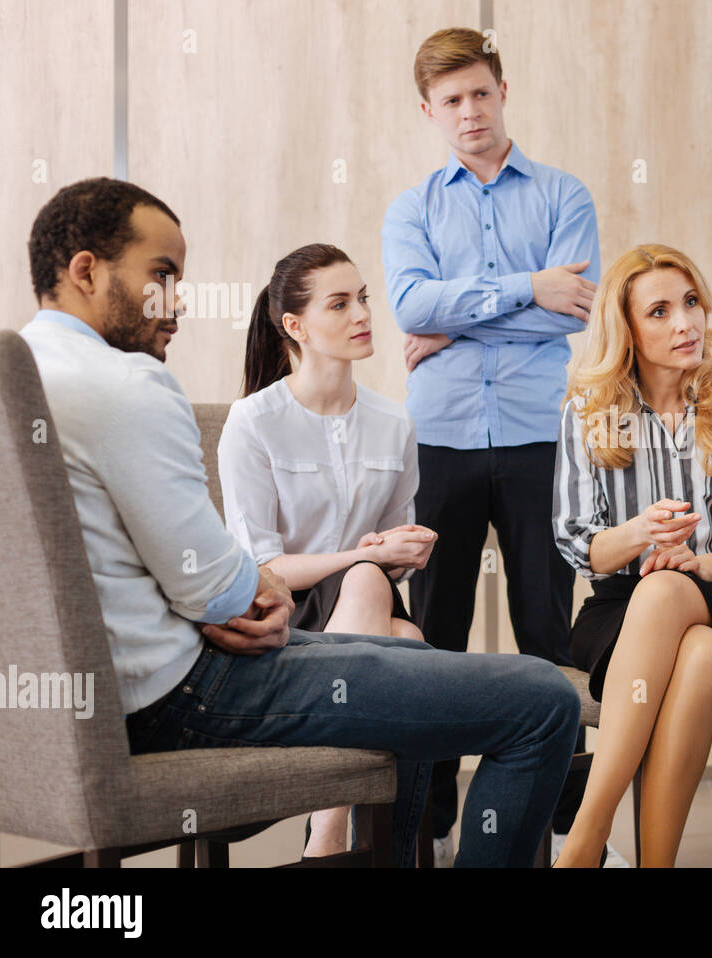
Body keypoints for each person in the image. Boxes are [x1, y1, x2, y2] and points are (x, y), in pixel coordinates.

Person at [20, 176, 580, 867]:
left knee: (407, 651)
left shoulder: (15, 380)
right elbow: (224, 592)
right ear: (85, 271)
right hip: (186, 694)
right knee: (542, 699)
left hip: (86, 707)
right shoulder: (129, 385)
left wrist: (225, 592)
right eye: (161, 274)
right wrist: (244, 590)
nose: (180, 300)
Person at [382, 26, 601, 866]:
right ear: (429, 111)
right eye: (451, 101)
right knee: (436, 632)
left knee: (545, 627)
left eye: (480, 93)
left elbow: (570, 308)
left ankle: (556, 821)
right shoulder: (412, 208)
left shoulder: (562, 194)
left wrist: (455, 317)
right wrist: (521, 288)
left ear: (502, 91)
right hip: (441, 439)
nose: (469, 112)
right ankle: (430, 815)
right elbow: (407, 307)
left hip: (540, 434)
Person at [551, 244, 712, 867]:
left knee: (675, 597)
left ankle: (584, 838)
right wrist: (640, 533)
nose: (685, 323)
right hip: (617, 612)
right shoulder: (590, 415)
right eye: (658, 311)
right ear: (626, 328)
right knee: (699, 652)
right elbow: (580, 544)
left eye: (690, 304)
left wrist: (700, 564)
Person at [218, 243, 435, 857]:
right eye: (339, 304)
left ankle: (332, 838)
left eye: (363, 298)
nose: (362, 313)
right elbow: (262, 566)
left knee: (396, 620)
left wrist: (402, 549)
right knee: (403, 636)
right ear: (295, 326)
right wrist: (362, 560)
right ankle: (337, 835)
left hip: (362, 611)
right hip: (285, 617)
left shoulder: (395, 422)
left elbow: (393, 543)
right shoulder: (253, 422)